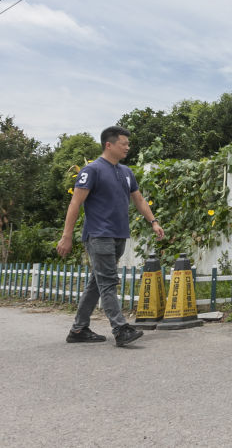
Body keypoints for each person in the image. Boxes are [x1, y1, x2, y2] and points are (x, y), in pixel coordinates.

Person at [57, 125, 164, 346]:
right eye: (123, 143)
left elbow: (139, 200)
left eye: (127, 144)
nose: (128, 147)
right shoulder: (92, 170)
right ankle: (120, 329)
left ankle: (78, 330)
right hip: (98, 234)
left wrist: (153, 221)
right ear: (109, 144)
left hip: (118, 235)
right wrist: (67, 236)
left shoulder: (126, 172)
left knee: (97, 282)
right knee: (107, 282)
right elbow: (75, 203)